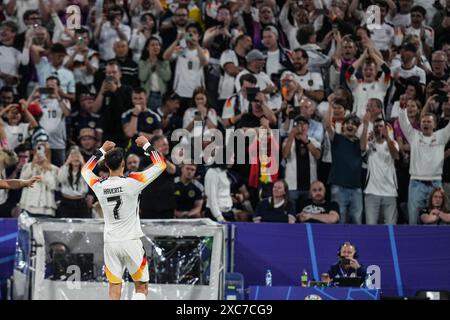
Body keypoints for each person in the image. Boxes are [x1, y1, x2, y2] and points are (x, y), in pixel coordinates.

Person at [81, 136, 166, 300]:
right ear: (123, 164)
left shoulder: (99, 185)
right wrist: (146, 145)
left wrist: (102, 150)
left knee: (114, 287)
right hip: (131, 241)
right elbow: (160, 164)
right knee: (141, 287)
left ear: (106, 165)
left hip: (111, 243)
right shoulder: (133, 181)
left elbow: (85, 170)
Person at [399, 95, 450, 224]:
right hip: (416, 182)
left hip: (436, 183)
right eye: (423, 121)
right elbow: (403, 121)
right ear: (420, 124)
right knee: (413, 218)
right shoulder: (414, 136)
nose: (426, 123)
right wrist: (403, 106)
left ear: (435, 124)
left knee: (437, 218)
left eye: (429, 121)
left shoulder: (442, 136)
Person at [360, 115, 400, 224]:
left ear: (386, 129)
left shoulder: (393, 143)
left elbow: (396, 156)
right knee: (371, 228)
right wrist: (365, 126)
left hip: (390, 192)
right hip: (371, 192)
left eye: (381, 126)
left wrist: (387, 137)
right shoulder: (370, 144)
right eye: (376, 127)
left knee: (390, 227)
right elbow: (362, 148)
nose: (378, 129)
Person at [19, 142, 59, 217]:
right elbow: (22, 182)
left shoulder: (54, 169)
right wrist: (33, 165)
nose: (40, 154)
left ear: (47, 153)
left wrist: (45, 170)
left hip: (46, 209)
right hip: (28, 207)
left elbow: (53, 186)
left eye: (43, 152)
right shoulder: (28, 167)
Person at [57, 146, 90, 219]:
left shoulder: (85, 169)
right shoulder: (64, 169)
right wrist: (67, 162)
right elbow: (60, 179)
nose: (76, 158)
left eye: (78, 155)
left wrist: (82, 162)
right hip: (66, 203)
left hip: (81, 203)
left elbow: (89, 178)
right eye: (73, 155)